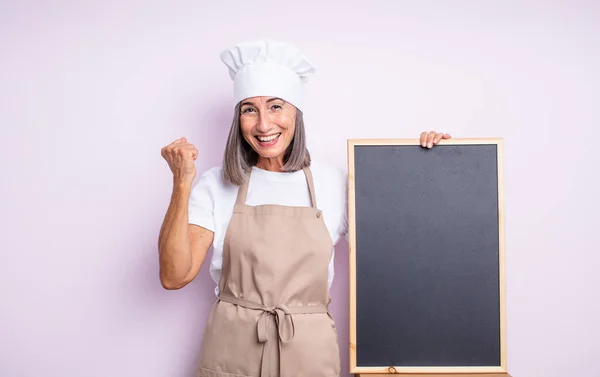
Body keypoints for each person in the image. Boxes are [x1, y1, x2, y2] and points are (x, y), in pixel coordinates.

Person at [158, 39, 451, 377]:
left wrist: (439, 167)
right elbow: (174, 275)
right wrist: (182, 181)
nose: (264, 125)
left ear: (296, 112)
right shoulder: (216, 184)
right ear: (238, 120)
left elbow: (407, 250)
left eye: (275, 106)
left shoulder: (336, 183)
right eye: (249, 109)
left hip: (309, 356)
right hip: (231, 354)